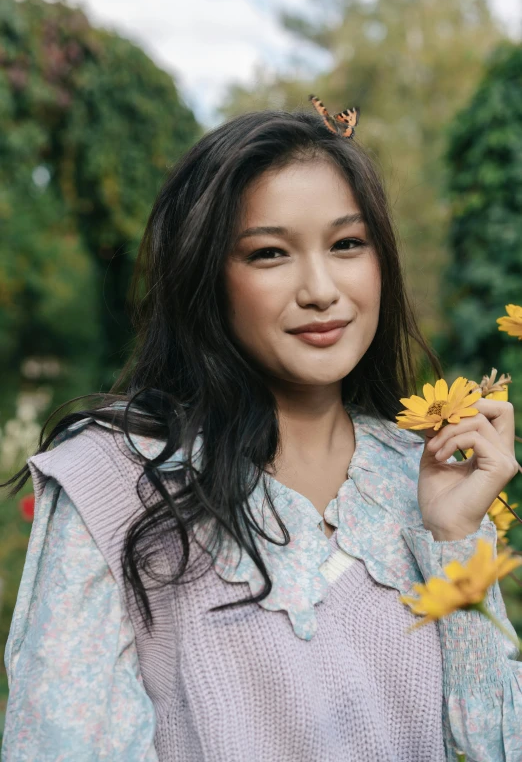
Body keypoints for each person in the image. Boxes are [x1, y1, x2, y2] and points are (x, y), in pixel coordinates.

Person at [2, 106, 521, 762]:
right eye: (269, 253)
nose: (321, 290)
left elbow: (493, 746)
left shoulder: (420, 475)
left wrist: (453, 536)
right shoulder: (113, 484)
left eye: (347, 244)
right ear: (206, 277)